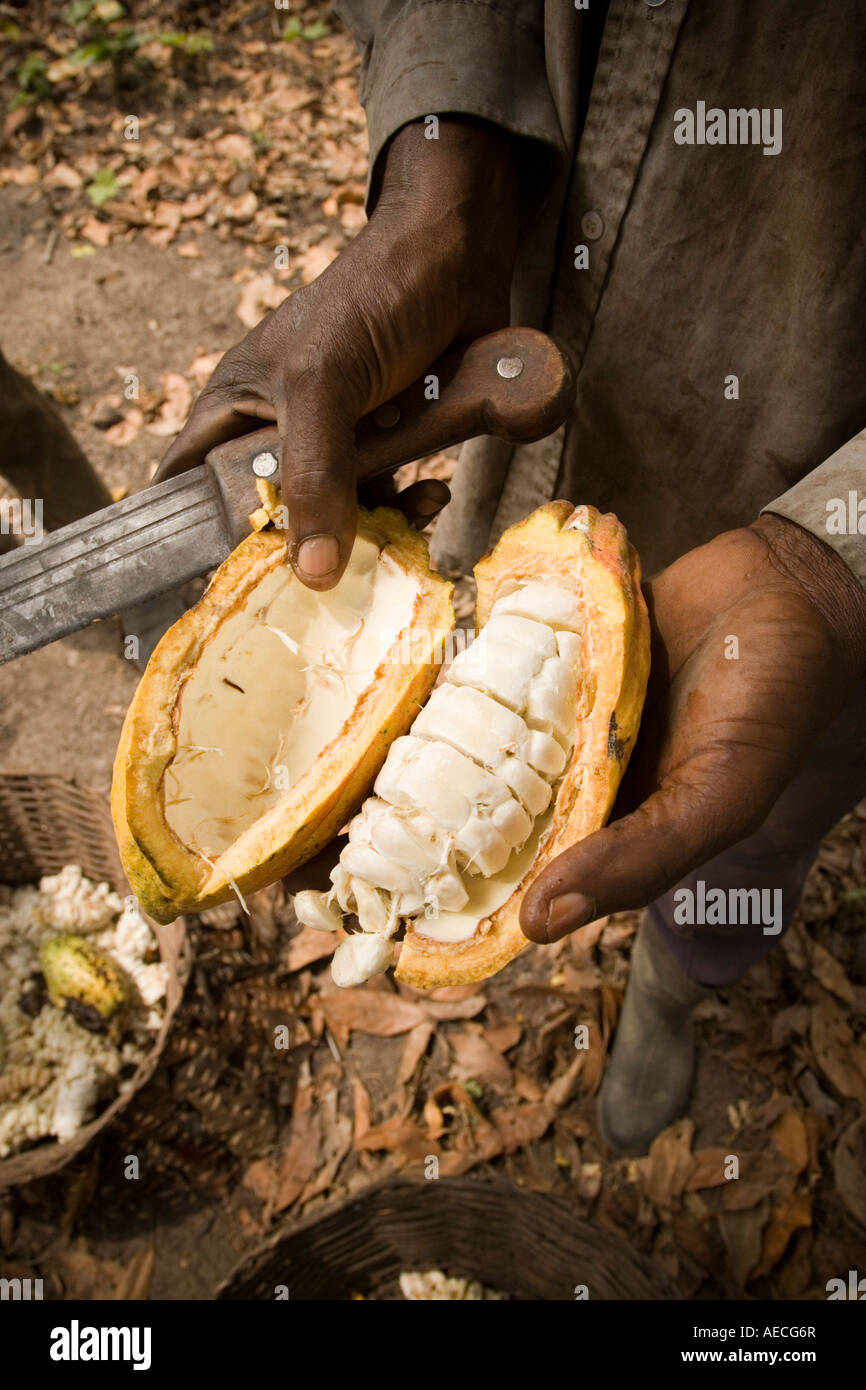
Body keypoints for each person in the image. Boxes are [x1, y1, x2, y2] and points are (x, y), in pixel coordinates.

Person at [157, 0, 866, 1154]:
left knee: (746, 799)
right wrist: (446, 181)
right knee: (478, 590)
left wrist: (835, 558)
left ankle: (672, 991)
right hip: (531, 325)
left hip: (819, 402)